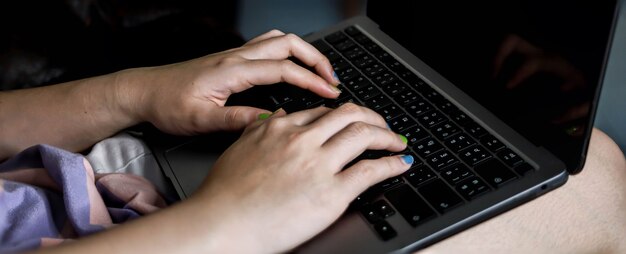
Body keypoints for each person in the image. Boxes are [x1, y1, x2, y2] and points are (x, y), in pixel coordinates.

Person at [1, 30, 625, 254]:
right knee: (593, 178)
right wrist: (228, 220)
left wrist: (134, 93)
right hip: (188, 236)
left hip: (84, 187)